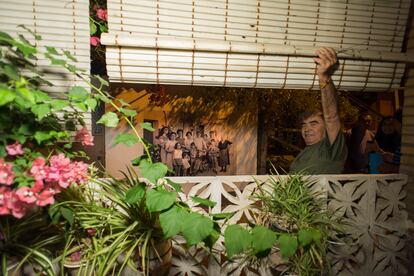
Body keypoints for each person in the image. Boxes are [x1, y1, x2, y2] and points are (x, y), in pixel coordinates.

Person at [290, 47, 347, 174]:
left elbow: (331, 117)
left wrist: (324, 77)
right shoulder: (305, 152)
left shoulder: (330, 149)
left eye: (314, 123)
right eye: (303, 124)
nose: (306, 128)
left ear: (326, 128)